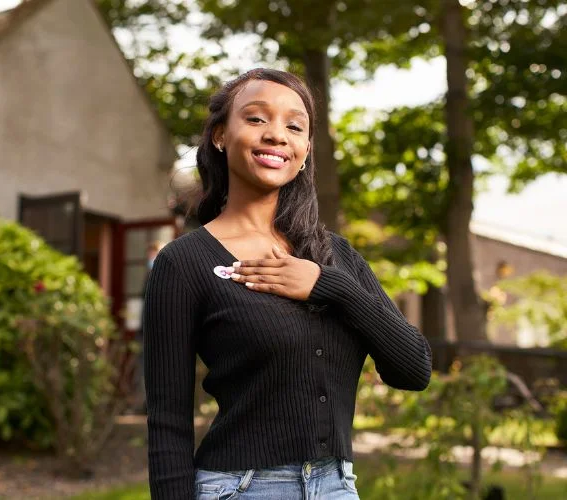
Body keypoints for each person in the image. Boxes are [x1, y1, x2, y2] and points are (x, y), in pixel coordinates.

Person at [141, 68, 432, 500]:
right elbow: (167, 421)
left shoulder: (337, 256)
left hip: (337, 488)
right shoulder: (183, 263)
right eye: (256, 118)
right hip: (240, 489)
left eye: (294, 126)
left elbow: (414, 369)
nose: (277, 134)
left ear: (305, 150)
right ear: (220, 136)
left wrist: (330, 286)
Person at [128, 240, 164, 415]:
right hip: (144, 330)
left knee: (156, 369)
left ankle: (151, 405)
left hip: (158, 331)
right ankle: (143, 405)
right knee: (142, 369)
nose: (151, 258)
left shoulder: (164, 275)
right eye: (150, 254)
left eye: (154, 254)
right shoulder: (149, 274)